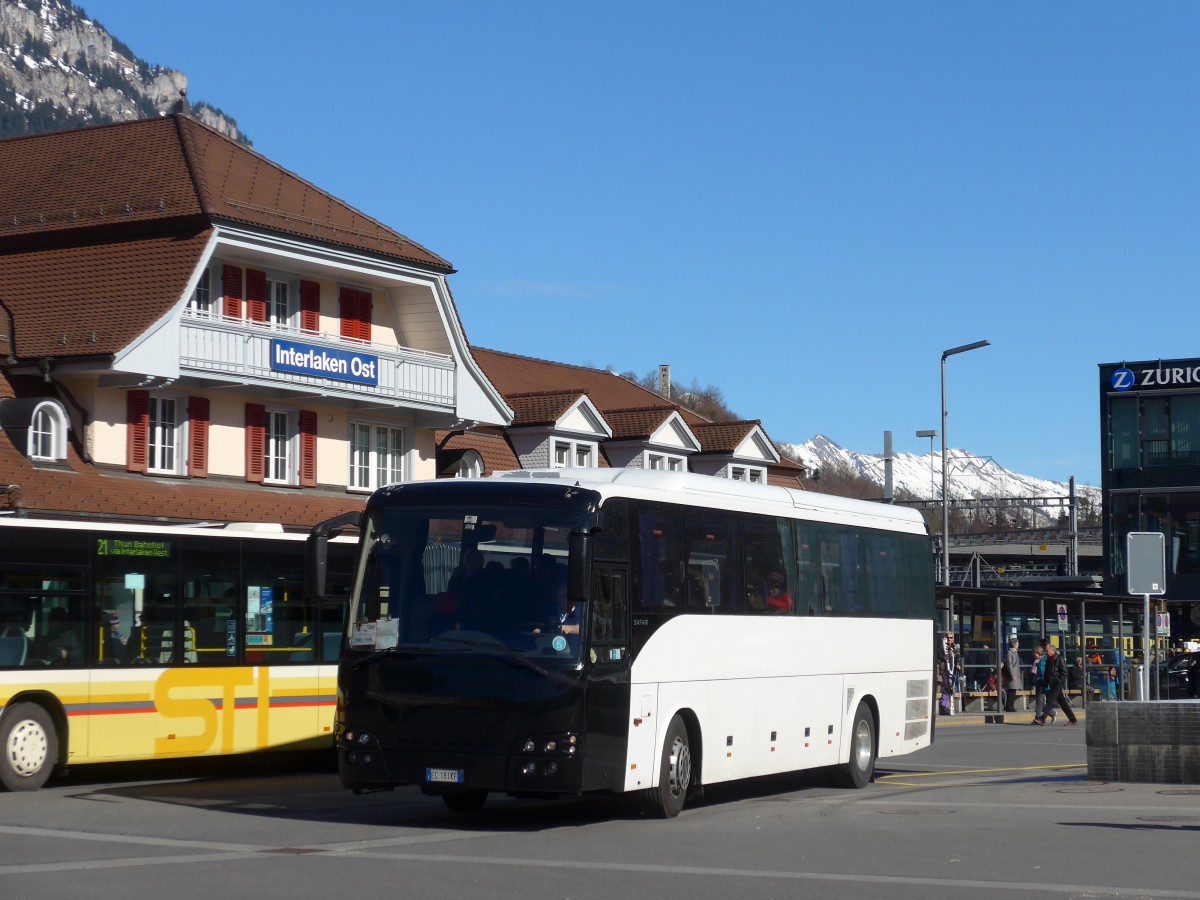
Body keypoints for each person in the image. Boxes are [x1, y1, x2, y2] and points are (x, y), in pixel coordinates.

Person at [1034, 639, 1078, 726]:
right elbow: (1047, 672)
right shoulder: (1049, 659)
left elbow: (1064, 672)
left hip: (1057, 684)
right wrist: (1046, 683)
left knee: (1050, 701)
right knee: (1063, 703)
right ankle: (1073, 719)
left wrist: (1059, 681)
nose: (1046, 652)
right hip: (1051, 683)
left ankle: (1042, 719)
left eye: (1047, 651)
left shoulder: (1059, 659)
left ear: (1052, 650)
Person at [1030, 648, 1056, 724]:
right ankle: (1052, 713)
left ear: (1038, 653)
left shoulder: (1045, 660)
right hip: (1039, 682)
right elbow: (1034, 672)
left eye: (1035, 653)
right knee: (1040, 701)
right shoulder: (1036, 661)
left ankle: (1037, 718)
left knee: (1039, 701)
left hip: (1044, 682)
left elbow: (1046, 671)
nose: (1034, 655)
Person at [1003, 638, 1024, 712]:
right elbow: (1009, 665)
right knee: (1011, 690)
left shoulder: (1015, 652)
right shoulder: (1010, 652)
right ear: (1013, 644)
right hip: (1012, 674)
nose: (1018, 645)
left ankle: (1011, 706)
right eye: (1017, 644)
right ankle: (1009, 707)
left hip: (1016, 673)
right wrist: (1012, 675)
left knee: (1013, 690)